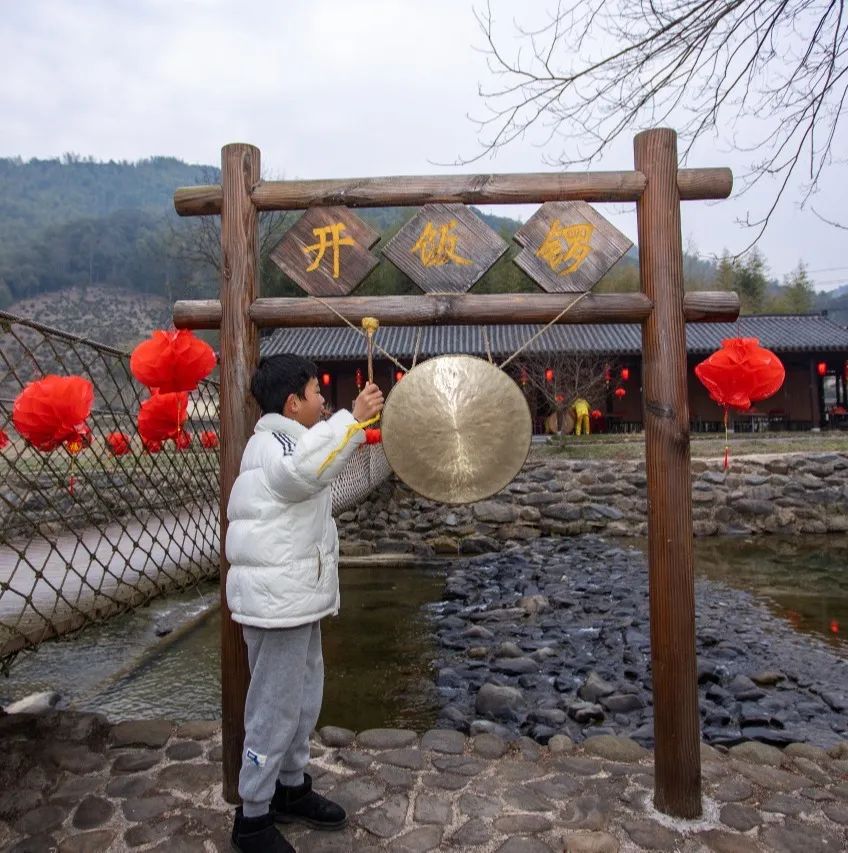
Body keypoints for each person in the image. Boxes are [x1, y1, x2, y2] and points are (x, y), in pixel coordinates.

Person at [226, 354, 385, 853]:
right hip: (277, 604)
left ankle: (290, 788)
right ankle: (253, 816)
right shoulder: (273, 446)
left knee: (301, 698)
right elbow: (306, 471)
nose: (323, 400)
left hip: (294, 598)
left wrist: (349, 426)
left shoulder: (290, 440)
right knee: (274, 707)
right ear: (293, 403)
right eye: (317, 392)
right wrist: (354, 419)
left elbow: (314, 465)